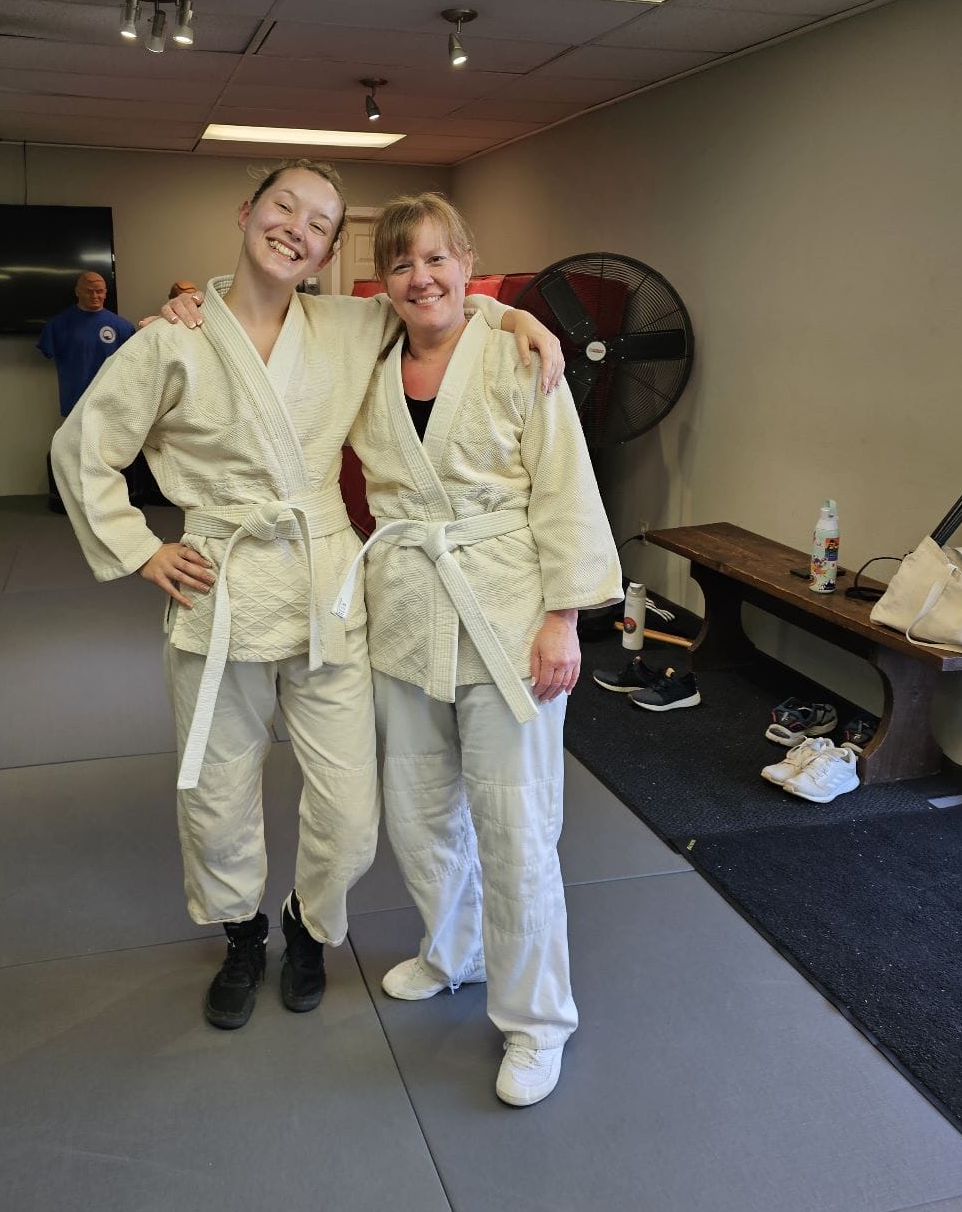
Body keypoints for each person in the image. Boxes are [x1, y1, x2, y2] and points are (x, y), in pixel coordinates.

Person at [51, 161, 564, 1033]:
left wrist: (516, 315)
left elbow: (436, 302)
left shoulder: (348, 324)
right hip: (221, 588)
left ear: (328, 253)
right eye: (284, 206)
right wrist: (140, 549)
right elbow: (82, 448)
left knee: (353, 810)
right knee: (217, 792)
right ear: (246, 212)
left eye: (321, 223)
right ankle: (243, 934)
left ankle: (309, 923)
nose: (297, 227)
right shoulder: (172, 340)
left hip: (327, 589)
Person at [332, 193, 622, 1107]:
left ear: (467, 263)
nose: (421, 278)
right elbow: (280, 322)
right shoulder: (368, 356)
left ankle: (537, 1022)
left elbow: (566, 488)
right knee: (420, 813)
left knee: (515, 825)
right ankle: (451, 949)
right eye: (401, 263)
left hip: (506, 617)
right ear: (383, 281)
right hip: (405, 614)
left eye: (437, 259)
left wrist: (564, 618)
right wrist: (186, 305)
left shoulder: (519, 355)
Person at [38, 271, 135, 511]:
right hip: (76, 401)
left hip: (112, 402)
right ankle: (76, 501)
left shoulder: (122, 327)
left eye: (100, 291)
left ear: (106, 293)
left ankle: (110, 503)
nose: (95, 296)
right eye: (89, 290)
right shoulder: (58, 326)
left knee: (110, 454)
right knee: (75, 452)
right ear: (77, 291)